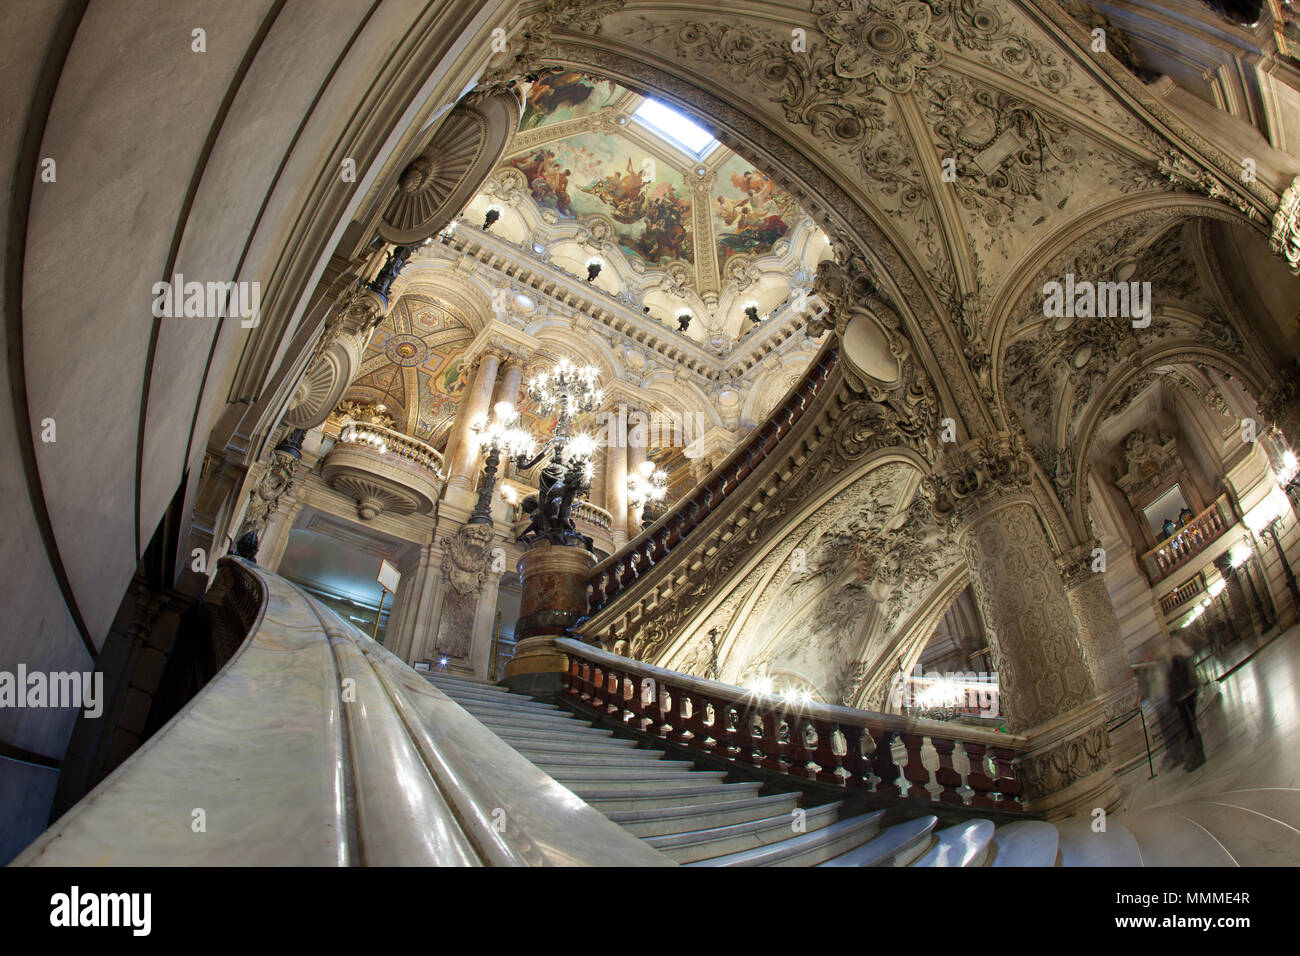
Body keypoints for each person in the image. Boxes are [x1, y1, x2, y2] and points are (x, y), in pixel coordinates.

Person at [1167, 637, 1206, 771]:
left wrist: (1173, 696)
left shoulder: (1177, 659)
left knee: (1191, 728)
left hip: (1184, 697)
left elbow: (1178, 680)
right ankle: (1196, 755)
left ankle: (1198, 756)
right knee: (1191, 727)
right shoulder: (1184, 656)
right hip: (1188, 695)